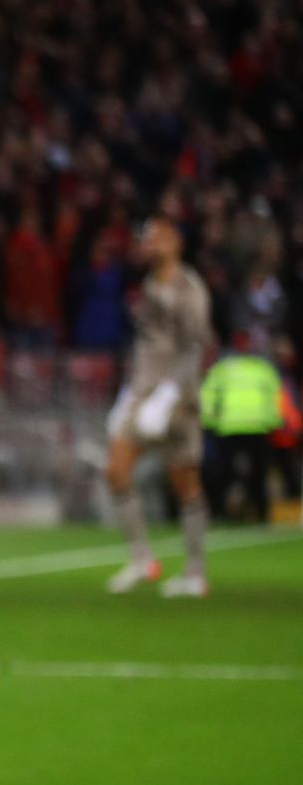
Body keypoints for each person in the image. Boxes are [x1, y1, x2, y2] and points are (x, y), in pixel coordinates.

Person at [105, 215, 214, 597]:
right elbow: (146, 347)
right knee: (116, 469)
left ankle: (195, 572)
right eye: (147, 239)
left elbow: (194, 346)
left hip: (178, 400)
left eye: (158, 239)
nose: (150, 245)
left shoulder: (189, 287)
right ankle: (142, 559)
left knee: (184, 483)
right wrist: (127, 394)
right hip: (142, 392)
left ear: (175, 242)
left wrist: (168, 395)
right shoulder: (147, 287)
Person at [199, 340, 284, 523]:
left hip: (240, 427)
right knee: (246, 472)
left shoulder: (226, 368)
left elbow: (275, 395)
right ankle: (242, 512)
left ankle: (236, 512)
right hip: (247, 426)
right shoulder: (261, 368)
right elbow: (276, 396)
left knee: (238, 472)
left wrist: (209, 421)